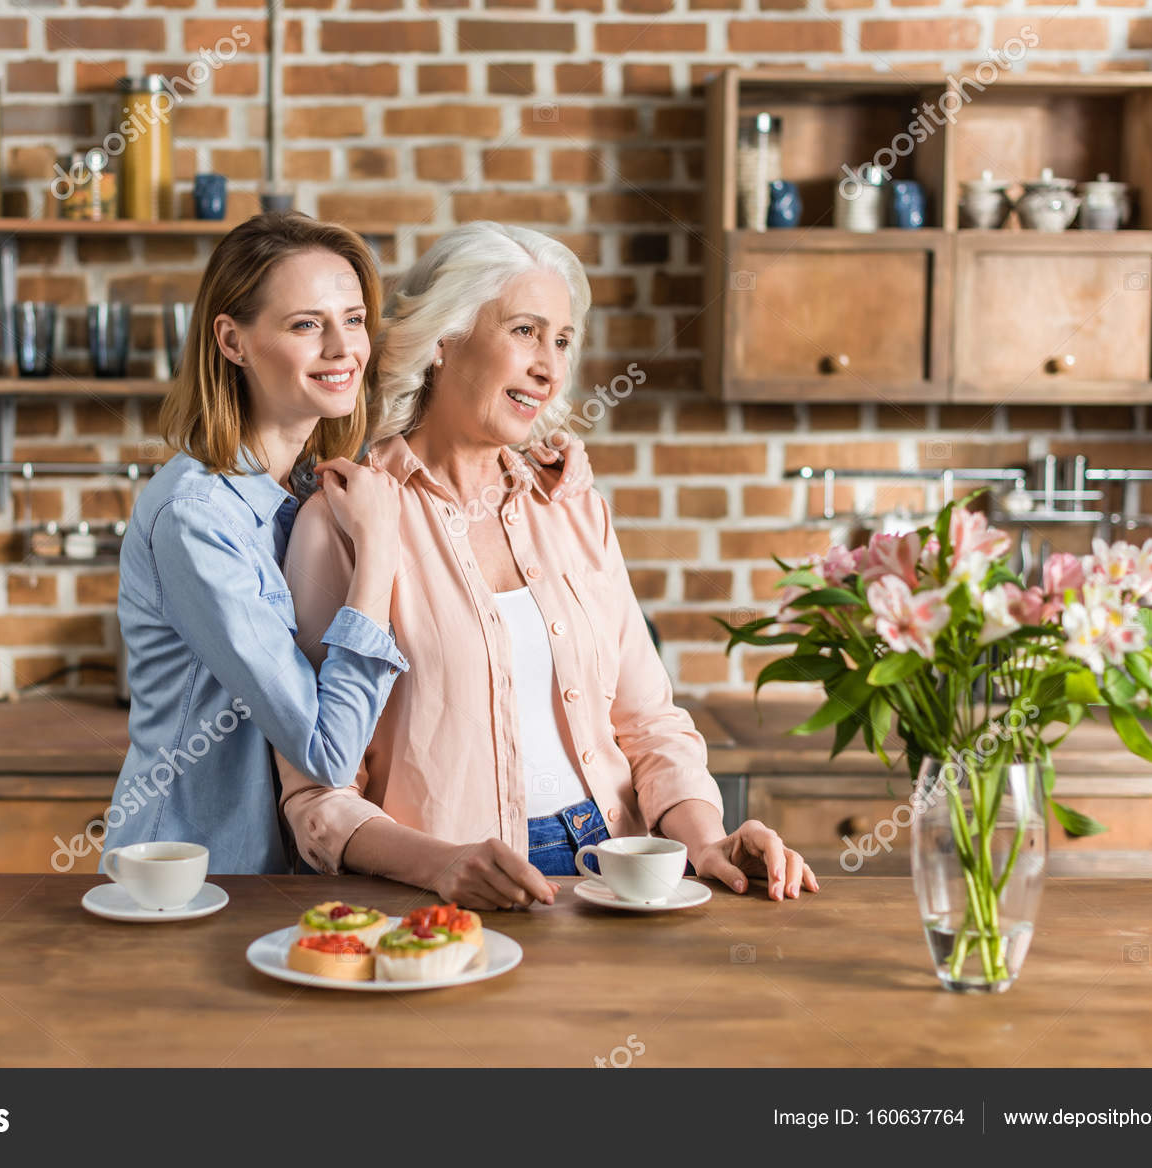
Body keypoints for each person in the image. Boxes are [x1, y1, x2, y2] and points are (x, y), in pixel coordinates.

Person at [276, 221, 819, 907]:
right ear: (443, 340)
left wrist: (706, 838)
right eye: (525, 332)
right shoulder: (349, 520)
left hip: (615, 868)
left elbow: (648, 723)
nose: (551, 367)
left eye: (562, 341)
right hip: (442, 890)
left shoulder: (571, 506)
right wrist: (440, 864)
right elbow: (315, 795)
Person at [102, 213, 590, 874]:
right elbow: (327, 752)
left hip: (288, 878)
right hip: (197, 870)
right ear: (232, 340)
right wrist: (378, 559)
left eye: (355, 320)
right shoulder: (197, 519)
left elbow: (443, 441)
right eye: (306, 324)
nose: (343, 349)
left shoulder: (312, 482)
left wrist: (548, 458)